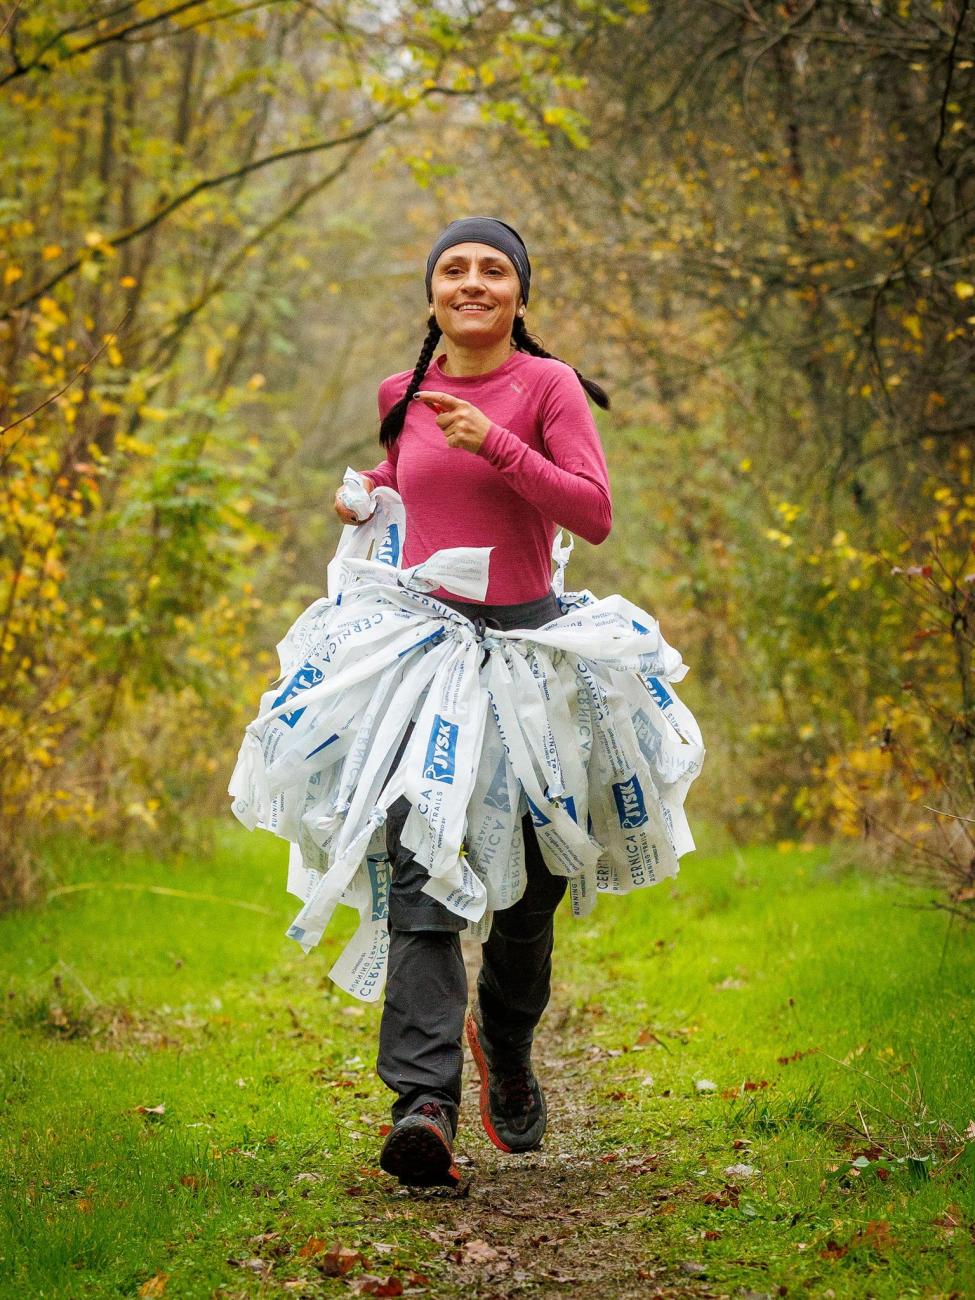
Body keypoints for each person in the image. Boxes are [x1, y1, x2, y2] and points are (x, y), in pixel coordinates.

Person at [334, 216, 614, 1188]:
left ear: (519, 296)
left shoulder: (548, 386)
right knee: (420, 870)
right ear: (432, 294)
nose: (472, 282)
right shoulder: (399, 393)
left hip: (529, 653)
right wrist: (365, 491)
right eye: (453, 269)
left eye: (494, 270)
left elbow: (593, 510)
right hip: (425, 658)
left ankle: (509, 1046)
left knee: (530, 892)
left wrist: (499, 442)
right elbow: (410, 480)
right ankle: (422, 1104)